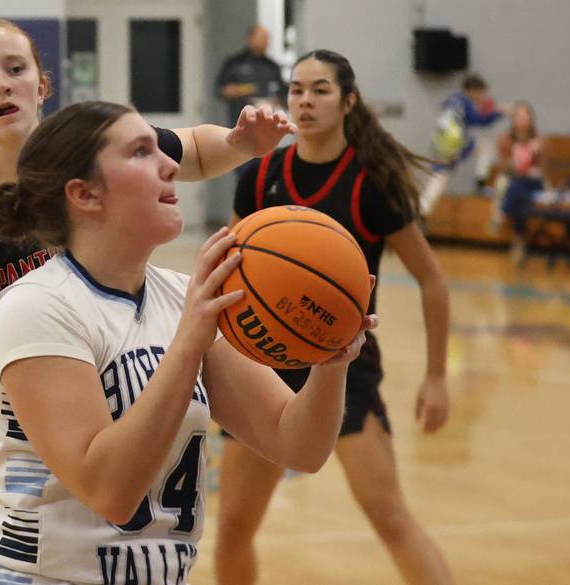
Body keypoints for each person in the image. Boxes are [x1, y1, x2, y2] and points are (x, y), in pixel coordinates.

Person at [0, 99, 375, 585]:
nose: (171, 164)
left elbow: (298, 444)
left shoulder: (182, 297)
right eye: (141, 152)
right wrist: (188, 344)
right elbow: (110, 490)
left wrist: (331, 359)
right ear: (86, 194)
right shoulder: (37, 307)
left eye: (162, 149)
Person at [0, 19, 296, 400]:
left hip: (132, 359)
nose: (1, 84)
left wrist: (240, 144)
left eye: (16, 68)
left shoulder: (93, 145)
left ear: (42, 88)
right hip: (39, 396)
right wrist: (50, 391)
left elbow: (196, 152)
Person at [215, 49, 454, 585]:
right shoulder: (260, 178)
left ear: (348, 101)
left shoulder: (372, 183)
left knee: (388, 515)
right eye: (297, 89)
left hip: (341, 369)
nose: (305, 100)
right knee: (232, 527)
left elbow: (433, 281)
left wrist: (437, 376)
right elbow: (224, 271)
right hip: (263, 369)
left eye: (320, 90)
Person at [419, 73, 504, 217]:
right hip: (455, 144)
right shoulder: (463, 101)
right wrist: (498, 112)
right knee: (484, 147)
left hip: (441, 145)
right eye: (481, 93)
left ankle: (422, 210)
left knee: (440, 175)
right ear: (472, 90)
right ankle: (480, 184)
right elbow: (479, 120)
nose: (482, 97)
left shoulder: (452, 101)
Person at [495, 101, 547, 265]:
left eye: (526, 116)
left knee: (518, 187)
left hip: (534, 182)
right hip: (516, 181)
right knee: (519, 192)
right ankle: (519, 239)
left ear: (531, 119)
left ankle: (502, 213)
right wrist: (516, 162)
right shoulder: (505, 139)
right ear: (514, 119)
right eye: (519, 116)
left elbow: (543, 169)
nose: (523, 120)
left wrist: (534, 154)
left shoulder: (540, 140)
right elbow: (503, 165)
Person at [215, 24, 287, 129]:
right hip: (239, 120)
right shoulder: (235, 63)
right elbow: (220, 90)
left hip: (266, 122)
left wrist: (277, 100)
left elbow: (282, 92)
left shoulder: (272, 66)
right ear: (251, 38)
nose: (266, 42)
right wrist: (234, 91)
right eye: (262, 38)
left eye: (267, 38)